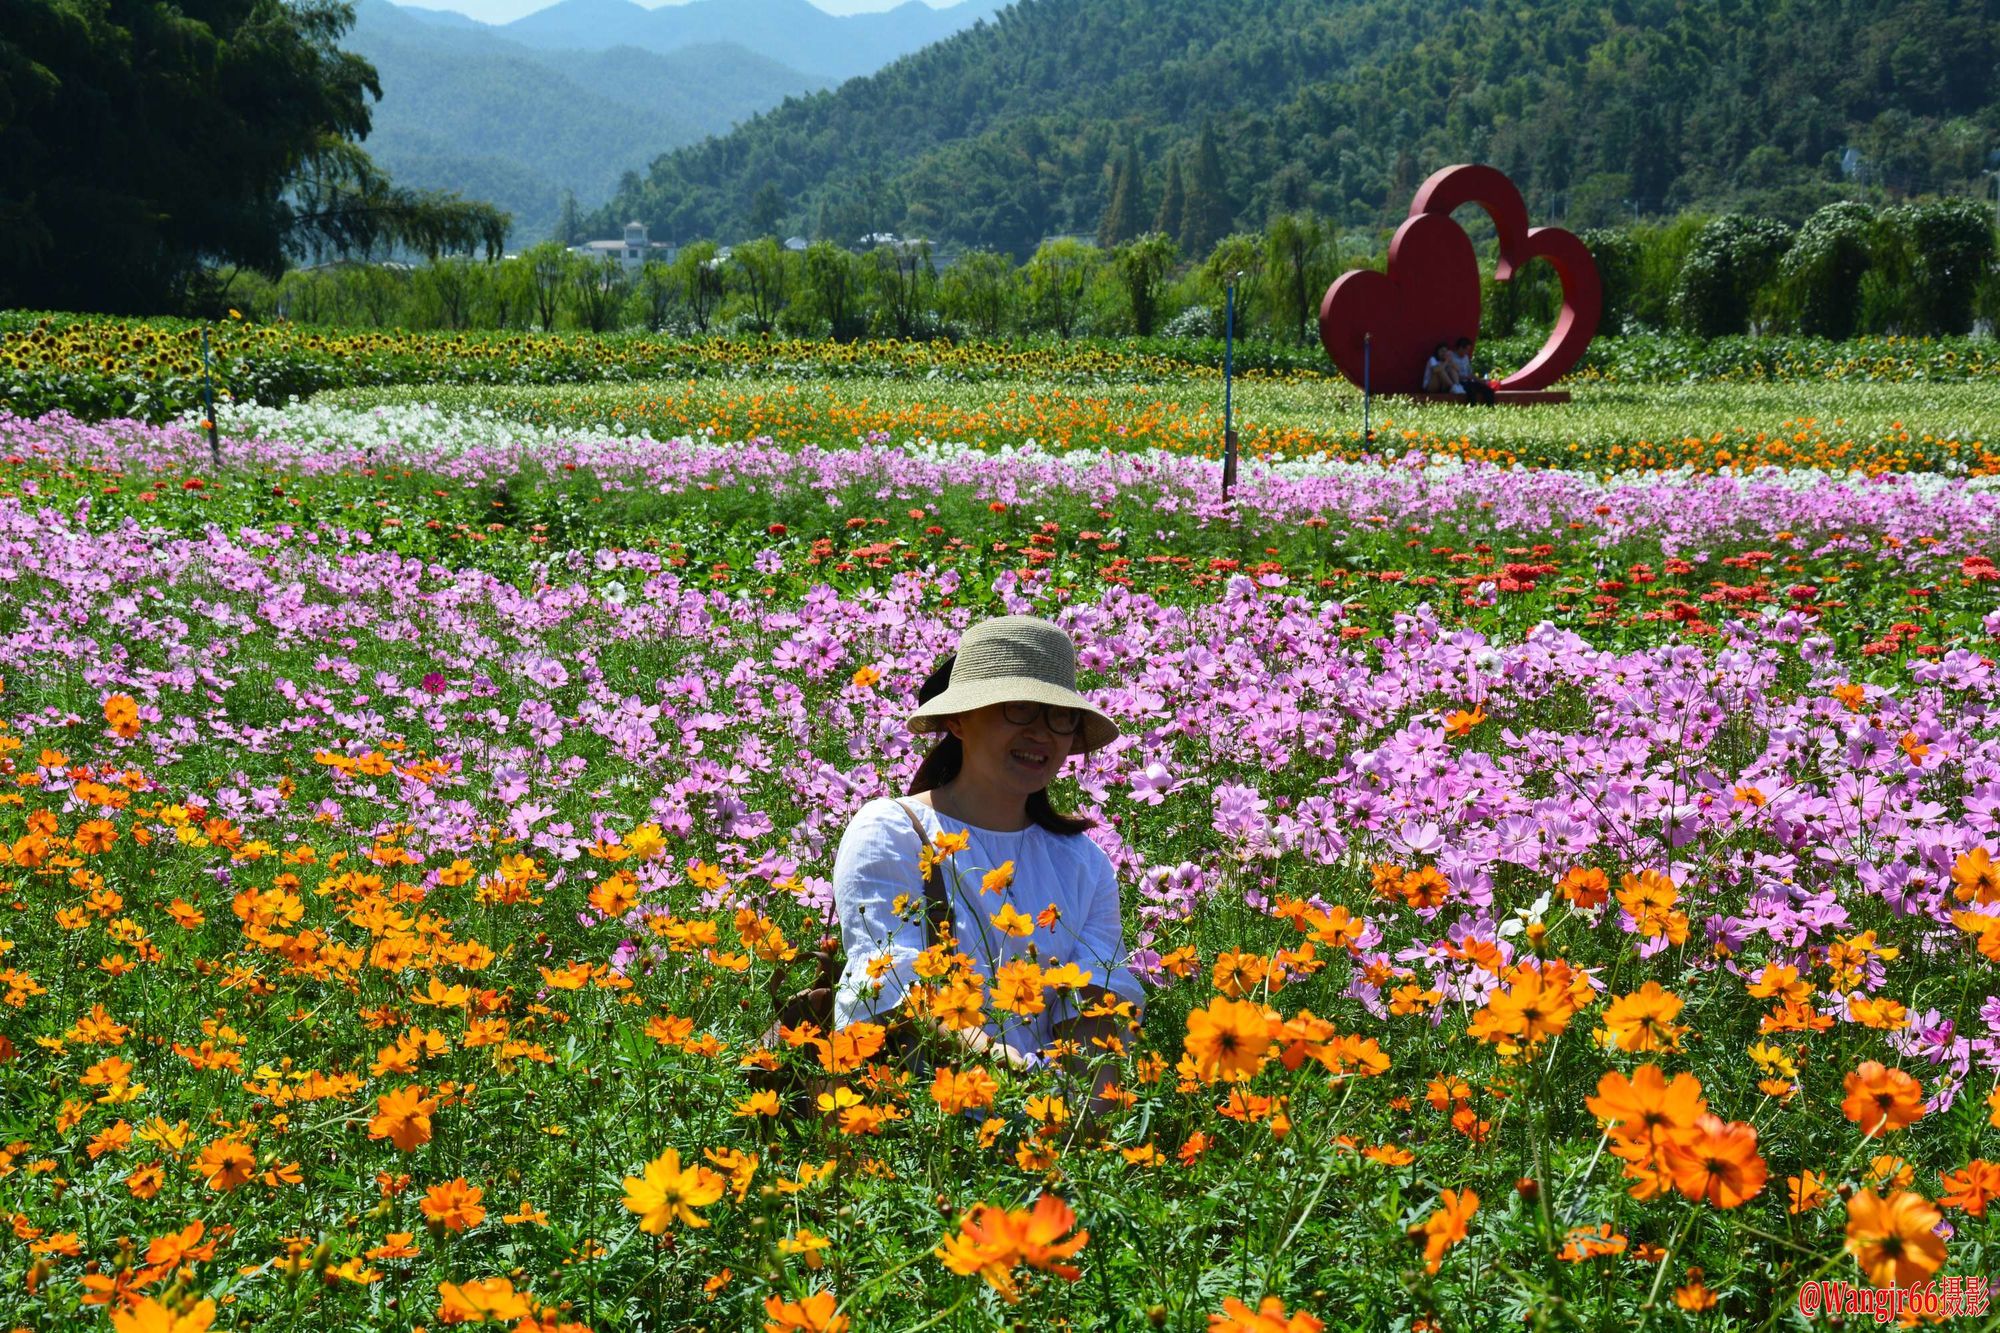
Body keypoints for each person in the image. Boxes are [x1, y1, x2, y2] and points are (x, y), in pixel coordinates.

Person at [830, 614, 1142, 1122]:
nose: (1041, 732)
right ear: (958, 721)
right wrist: (1014, 1081)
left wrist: (1083, 1124)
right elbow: (892, 984)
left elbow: (1096, 1008)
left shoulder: (1084, 862)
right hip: (925, 1134)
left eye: (1059, 716)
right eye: (1018, 708)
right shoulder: (891, 830)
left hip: (1052, 1133)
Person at [1453, 336, 1498, 404]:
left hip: (1468, 381)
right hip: (1458, 383)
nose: (1467, 352)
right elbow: (1451, 374)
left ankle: (1490, 408)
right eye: (1466, 350)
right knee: (1471, 390)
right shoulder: (1451, 357)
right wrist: (1467, 377)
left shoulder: (1466, 358)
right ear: (1460, 348)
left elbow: (1470, 373)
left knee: (1488, 390)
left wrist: (1480, 380)